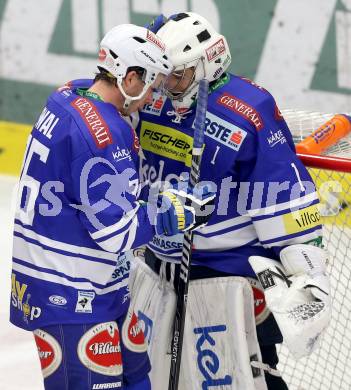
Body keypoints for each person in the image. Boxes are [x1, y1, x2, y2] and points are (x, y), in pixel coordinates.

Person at [129, 12, 331, 390]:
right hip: (159, 269)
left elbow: (284, 194)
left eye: (179, 74)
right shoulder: (150, 100)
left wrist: (308, 274)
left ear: (208, 64)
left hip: (228, 276)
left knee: (247, 377)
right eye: (162, 73)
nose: (166, 83)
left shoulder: (248, 110)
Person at [9, 23, 213, 390]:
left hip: (98, 286)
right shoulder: (105, 135)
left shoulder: (67, 95)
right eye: (150, 83)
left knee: (137, 380)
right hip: (70, 294)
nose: (154, 96)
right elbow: (117, 233)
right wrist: (172, 215)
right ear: (130, 77)